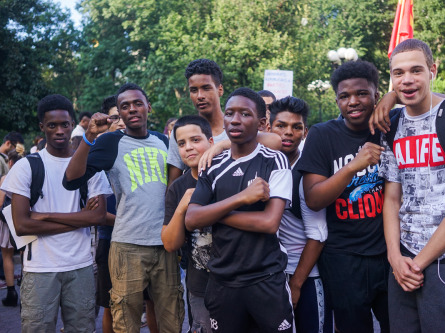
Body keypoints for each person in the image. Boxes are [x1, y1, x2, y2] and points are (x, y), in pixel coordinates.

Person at [379, 39, 445, 332]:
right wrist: (395, 258)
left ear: (432, 70)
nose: (407, 79)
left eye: (416, 70)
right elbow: (391, 200)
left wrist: (416, 264)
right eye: (398, 73)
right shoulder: (394, 123)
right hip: (403, 262)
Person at [63, 83, 184, 333]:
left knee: (171, 321)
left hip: (165, 245)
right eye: (124, 106)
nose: (132, 109)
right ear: (119, 113)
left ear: (148, 107)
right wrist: (88, 137)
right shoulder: (110, 142)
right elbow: (71, 180)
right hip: (127, 246)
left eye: (137, 103)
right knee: (125, 323)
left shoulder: (164, 141)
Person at [0, 94, 112, 332]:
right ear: (42, 127)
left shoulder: (90, 165)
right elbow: (22, 225)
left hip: (81, 266)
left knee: (82, 329)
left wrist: (44, 215)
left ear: (73, 124)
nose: (59, 130)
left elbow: (98, 217)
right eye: (52, 125)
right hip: (39, 269)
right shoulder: (26, 166)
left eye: (65, 124)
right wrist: (81, 217)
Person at [185, 87, 294, 332]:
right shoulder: (212, 166)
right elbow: (191, 219)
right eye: (230, 113)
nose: (235, 119)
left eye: (245, 114)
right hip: (223, 282)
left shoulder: (274, 159)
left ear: (262, 123)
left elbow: (269, 223)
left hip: (265, 279)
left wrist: (214, 214)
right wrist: (241, 198)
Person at [298, 60, 390, 333]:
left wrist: (394, 96)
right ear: (337, 100)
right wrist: (352, 167)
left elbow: (429, 101)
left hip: (389, 255)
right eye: (344, 96)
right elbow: (314, 198)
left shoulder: (391, 126)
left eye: (362, 93)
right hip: (342, 259)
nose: (353, 101)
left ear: (376, 95)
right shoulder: (322, 134)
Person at [269, 96, 333, 332]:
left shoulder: (306, 173)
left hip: (305, 276)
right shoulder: (265, 166)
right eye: (281, 126)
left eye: (296, 127)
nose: (288, 133)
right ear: (268, 128)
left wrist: (296, 284)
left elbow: (318, 236)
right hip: (272, 275)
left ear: (305, 132)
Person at [167, 59, 280, 184]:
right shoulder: (183, 132)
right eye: (194, 90)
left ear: (220, 90)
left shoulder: (237, 126)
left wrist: (222, 145)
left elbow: (275, 141)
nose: (200, 96)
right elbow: (173, 183)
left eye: (206, 88)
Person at [162, 115, 214, 333]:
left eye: (195, 140)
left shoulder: (228, 172)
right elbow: (170, 244)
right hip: (200, 285)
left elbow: (270, 142)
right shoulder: (177, 188)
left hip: (236, 282)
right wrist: (183, 207)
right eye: (181, 144)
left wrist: (224, 144)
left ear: (211, 142)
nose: (189, 148)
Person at [94, 95, 125, 333]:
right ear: (107, 121)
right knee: (110, 305)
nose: (121, 122)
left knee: (150, 302)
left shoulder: (144, 148)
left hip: (141, 240)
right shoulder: (99, 155)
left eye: (125, 116)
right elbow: (98, 213)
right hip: (110, 239)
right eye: (115, 117)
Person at [0, 145, 25, 306]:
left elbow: (1, 203)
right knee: (25, 254)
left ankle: (11, 293)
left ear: (10, 162)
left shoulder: (5, 178)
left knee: (7, 256)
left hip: (6, 222)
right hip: (24, 220)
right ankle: (26, 290)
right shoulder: (27, 175)